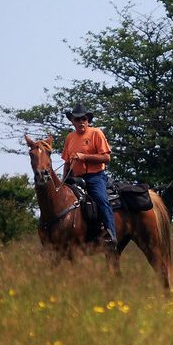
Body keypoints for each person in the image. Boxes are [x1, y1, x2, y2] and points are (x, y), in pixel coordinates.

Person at [61, 103, 117, 247]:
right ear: (72, 121)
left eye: (83, 119)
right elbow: (67, 162)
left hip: (95, 176)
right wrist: (64, 180)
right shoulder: (70, 137)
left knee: (101, 199)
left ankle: (111, 234)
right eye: (77, 119)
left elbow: (106, 158)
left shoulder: (96, 133)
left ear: (88, 120)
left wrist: (84, 157)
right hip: (75, 178)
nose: (81, 122)